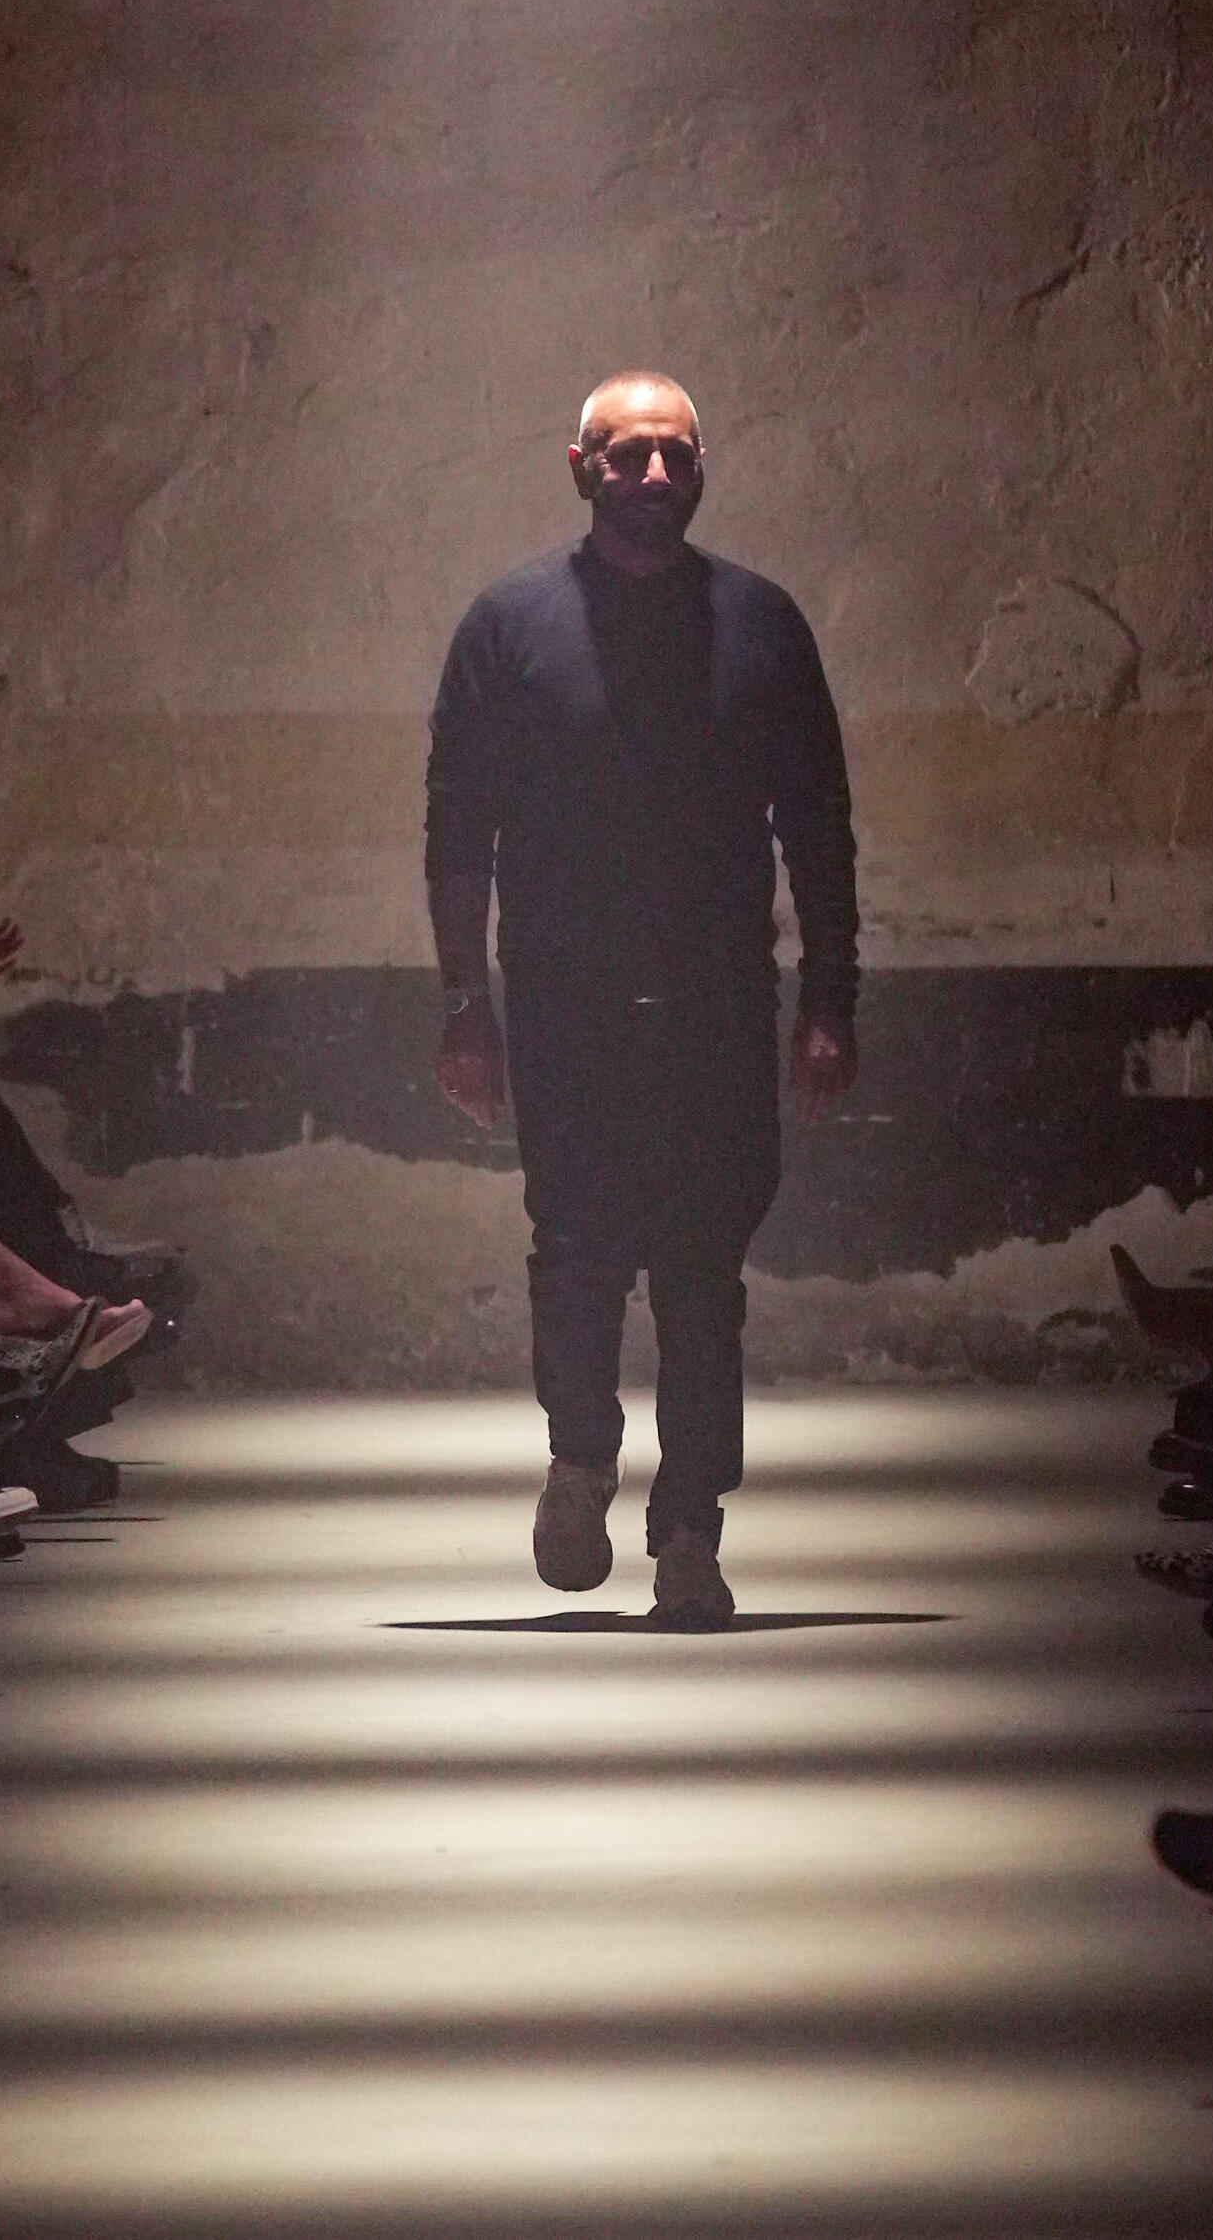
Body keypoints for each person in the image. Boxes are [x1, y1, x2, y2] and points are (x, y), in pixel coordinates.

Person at [425, 370, 859, 1628]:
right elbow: (456, 832)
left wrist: (829, 1001)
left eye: (675, 455)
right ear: (580, 469)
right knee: (573, 1248)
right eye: (627, 456)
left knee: (702, 1270)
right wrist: (464, 1006)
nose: (654, 476)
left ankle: (689, 1527)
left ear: (702, 465)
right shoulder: (508, 627)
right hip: (564, 1002)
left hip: (718, 1002)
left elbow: (817, 828)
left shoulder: (761, 626)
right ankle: (580, 1458)